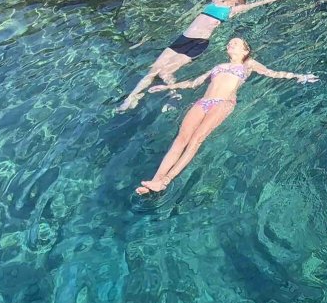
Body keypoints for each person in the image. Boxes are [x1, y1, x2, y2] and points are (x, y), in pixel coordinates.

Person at [135, 37, 317, 194]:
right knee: (180, 139)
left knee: (196, 139)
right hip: (203, 102)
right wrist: (168, 87)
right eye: (230, 43)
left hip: (223, 103)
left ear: (245, 50)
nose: (230, 44)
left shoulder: (249, 64)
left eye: (235, 43)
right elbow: (193, 83)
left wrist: (298, 76)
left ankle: (166, 180)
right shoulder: (218, 66)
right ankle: (156, 180)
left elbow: (273, 73)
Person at [118, 0, 301, 111]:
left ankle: (173, 96)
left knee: (165, 72)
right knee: (154, 69)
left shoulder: (234, 9)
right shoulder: (217, 1)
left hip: (198, 43)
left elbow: (262, 2)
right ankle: (133, 96)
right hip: (182, 38)